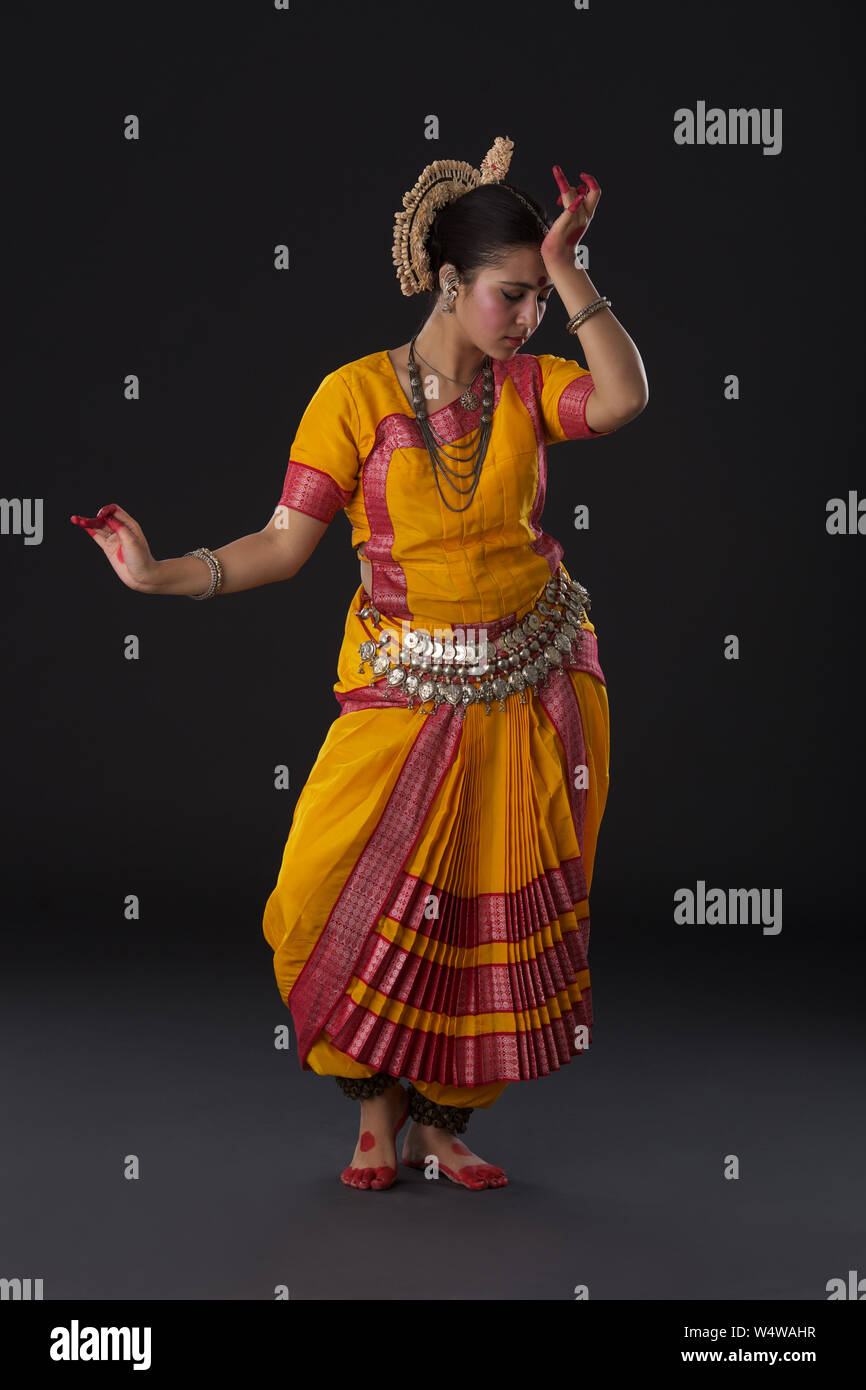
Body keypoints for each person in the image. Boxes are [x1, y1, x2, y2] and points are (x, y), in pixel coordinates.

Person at [71, 135, 648, 1193]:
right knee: (322, 894)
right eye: (509, 294)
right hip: (402, 689)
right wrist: (159, 576)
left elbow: (621, 400)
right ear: (447, 282)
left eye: (535, 298)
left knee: (481, 908)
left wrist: (571, 267)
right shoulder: (352, 398)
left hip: (530, 687)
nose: (524, 319)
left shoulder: (527, 390)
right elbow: (283, 545)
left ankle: (443, 1122)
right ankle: (372, 1113)